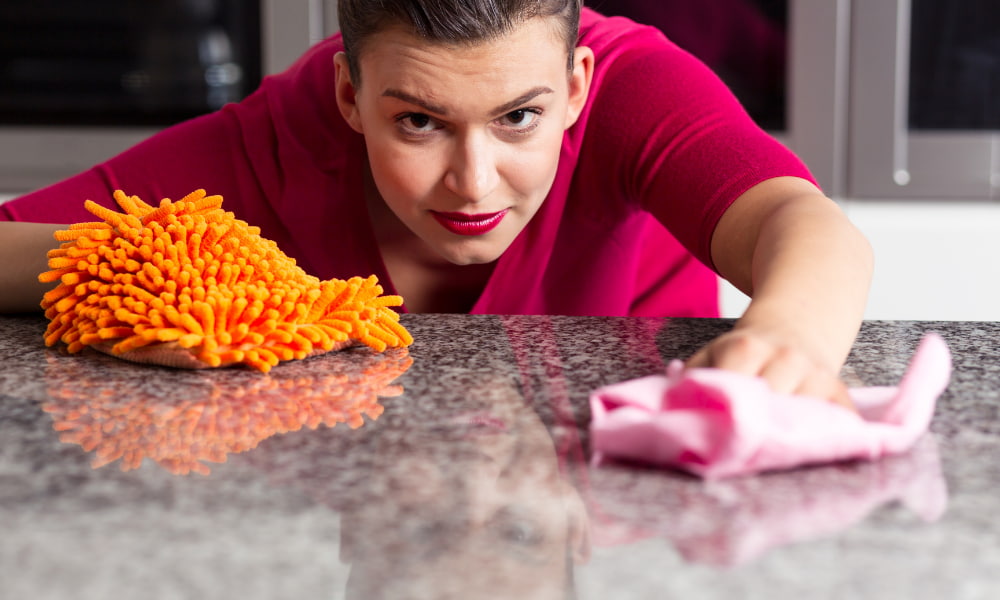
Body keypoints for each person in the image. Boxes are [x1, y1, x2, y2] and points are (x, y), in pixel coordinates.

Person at [0, 0, 872, 406]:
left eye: (520, 119)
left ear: (575, 87)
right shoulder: (287, 132)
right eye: (419, 122)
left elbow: (804, 225)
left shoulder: (637, 87)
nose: (474, 181)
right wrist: (154, 270)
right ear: (348, 97)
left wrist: (789, 337)